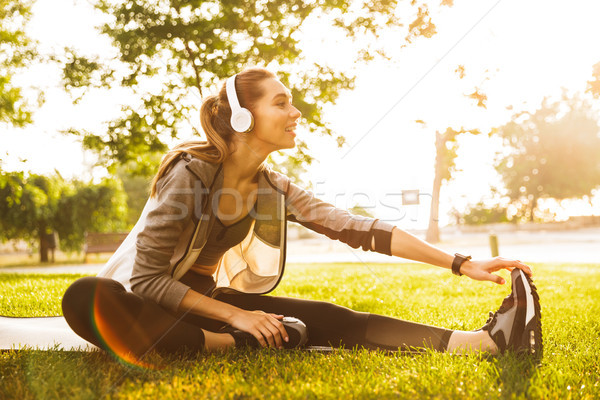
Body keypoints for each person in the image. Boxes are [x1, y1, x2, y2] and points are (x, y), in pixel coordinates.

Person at [62, 67, 542, 362]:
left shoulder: (272, 187)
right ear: (244, 117)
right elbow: (146, 282)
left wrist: (460, 263)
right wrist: (239, 320)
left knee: (333, 317)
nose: (296, 113)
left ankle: (482, 343)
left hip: (205, 306)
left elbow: (358, 229)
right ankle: (238, 346)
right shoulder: (189, 175)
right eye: (281, 102)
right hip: (147, 309)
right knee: (84, 298)